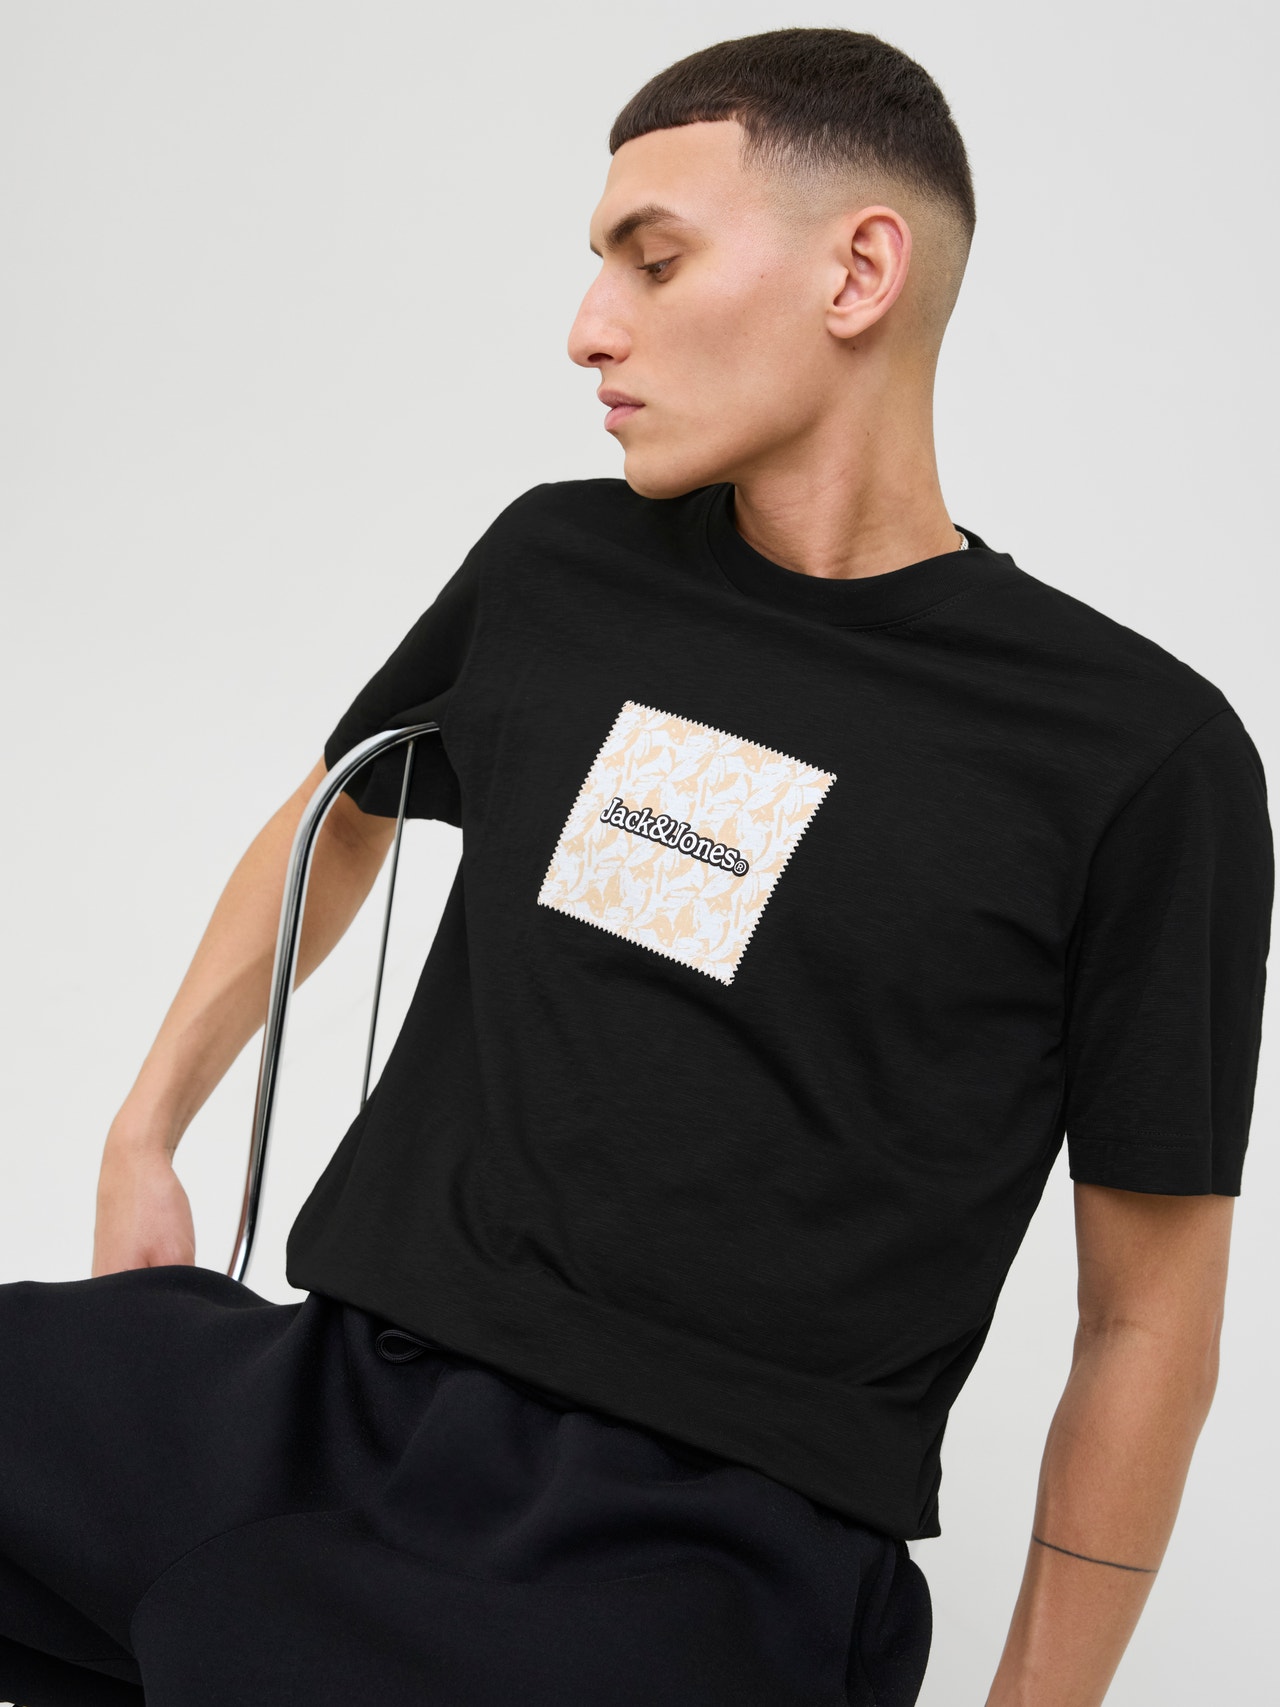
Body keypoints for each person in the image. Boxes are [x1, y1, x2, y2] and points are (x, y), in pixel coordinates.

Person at [0, 23, 1271, 1707]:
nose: (589, 326)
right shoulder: (558, 565)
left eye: (652, 261)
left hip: (697, 1547)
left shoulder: (1134, 753)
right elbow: (340, 814)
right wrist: (145, 1128)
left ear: (859, 272)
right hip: (319, 1407)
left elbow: (1148, 1316)